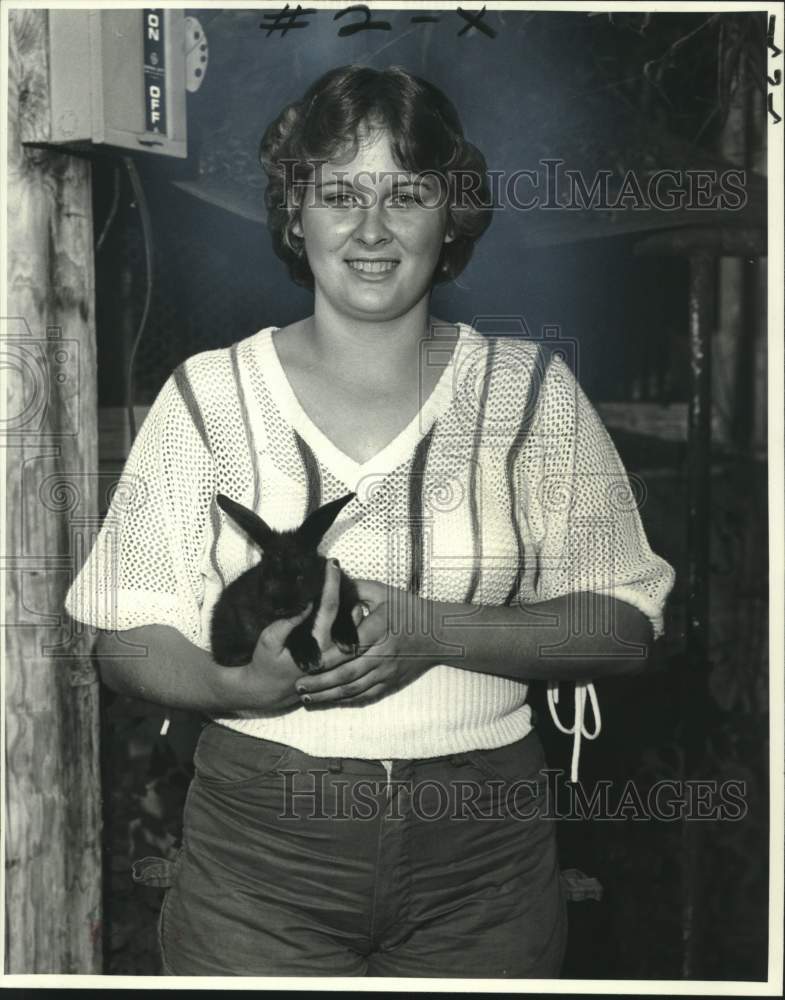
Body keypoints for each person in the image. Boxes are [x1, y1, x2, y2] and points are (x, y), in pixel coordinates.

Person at [65, 65, 675, 978]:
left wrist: (435, 630)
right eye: (339, 193)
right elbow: (121, 636)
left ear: (451, 214)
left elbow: (626, 631)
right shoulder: (209, 395)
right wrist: (235, 687)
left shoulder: (529, 393)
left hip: (483, 856)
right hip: (260, 850)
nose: (372, 229)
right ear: (292, 213)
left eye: (408, 193)